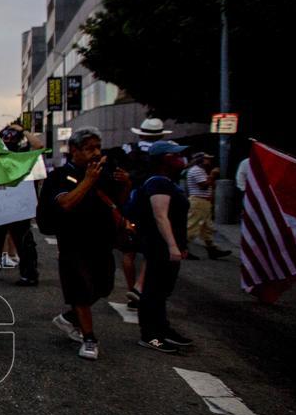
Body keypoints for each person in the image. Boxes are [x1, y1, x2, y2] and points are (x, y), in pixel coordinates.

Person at [40, 127, 130, 361]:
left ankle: (70, 318)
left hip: (101, 240)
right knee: (80, 288)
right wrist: (88, 181)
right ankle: (89, 337)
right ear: (74, 150)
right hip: (73, 241)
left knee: (103, 286)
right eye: (90, 149)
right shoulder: (60, 175)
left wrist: (125, 184)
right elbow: (66, 203)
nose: (95, 153)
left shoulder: (104, 172)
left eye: (98, 148)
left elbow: (117, 204)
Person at [135, 141, 194, 353]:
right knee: (154, 290)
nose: (181, 159)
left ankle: (162, 329)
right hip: (159, 246)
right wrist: (172, 246)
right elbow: (160, 216)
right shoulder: (158, 183)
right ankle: (151, 336)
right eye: (176, 155)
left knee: (161, 291)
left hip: (166, 246)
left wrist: (180, 244)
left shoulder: (167, 182)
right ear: (166, 159)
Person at [117, 117, 171, 309]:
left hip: (132, 200)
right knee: (153, 248)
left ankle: (133, 290)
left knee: (128, 250)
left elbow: (119, 172)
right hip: (156, 200)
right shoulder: (165, 152)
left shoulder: (129, 149)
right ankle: (141, 287)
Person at [0, 123, 42, 286]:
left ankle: (29, 273)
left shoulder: (24, 154)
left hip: (20, 202)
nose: (8, 138)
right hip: (1, 202)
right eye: (6, 136)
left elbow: (39, 145)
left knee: (23, 239)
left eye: (11, 135)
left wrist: (23, 130)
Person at [185, 152, 231, 259]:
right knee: (192, 226)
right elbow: (203, 186)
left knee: (207, 228)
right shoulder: (196, 170)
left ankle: (212, 249)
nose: (209, 161)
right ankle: (182, 248)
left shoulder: (200, 170)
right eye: (207, 159)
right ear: (200, 160)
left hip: (203, 202)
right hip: (198, 201)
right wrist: (212, 175)